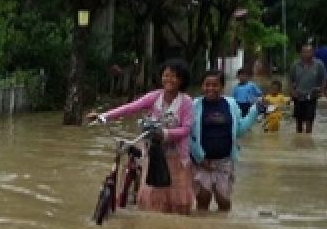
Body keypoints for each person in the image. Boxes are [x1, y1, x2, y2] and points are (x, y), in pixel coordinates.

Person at [87, 61, 195, 215]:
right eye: (166, 75)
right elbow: (131, 107)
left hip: (176, 156)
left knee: (177, 201)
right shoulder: (154, 96)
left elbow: (186, 129)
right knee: (152, 197)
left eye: (174, 76)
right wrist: (103, 116)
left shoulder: (186, 102)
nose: (168, 79)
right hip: (154, 152)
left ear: (181, 80)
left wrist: (164, 133)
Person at [190, 71, 258, 212]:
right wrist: (199, 157)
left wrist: (254, 112)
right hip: (201, 162)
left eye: (215, 85)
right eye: (207, 85)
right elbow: (188, 134)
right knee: (202, 201)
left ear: (222, 87)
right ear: (202, 86)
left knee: (224, 203)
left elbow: (238, 130)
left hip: (225, 161)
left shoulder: (231, 104)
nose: (211, 89)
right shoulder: (194, 105)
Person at [288, 43, 327, 134]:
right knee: (299, 122)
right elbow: (290, 79)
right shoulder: (295, 65)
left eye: (309, 51)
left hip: (312, 96)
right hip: (298, 96)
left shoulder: (319, 64)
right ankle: (299, 142)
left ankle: (308, 141)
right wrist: (292, 91)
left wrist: (322, 90)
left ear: (313, 52)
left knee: (309, 120)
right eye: (304, 52)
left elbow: (325, 78)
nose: (307, 54)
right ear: (301, 53)